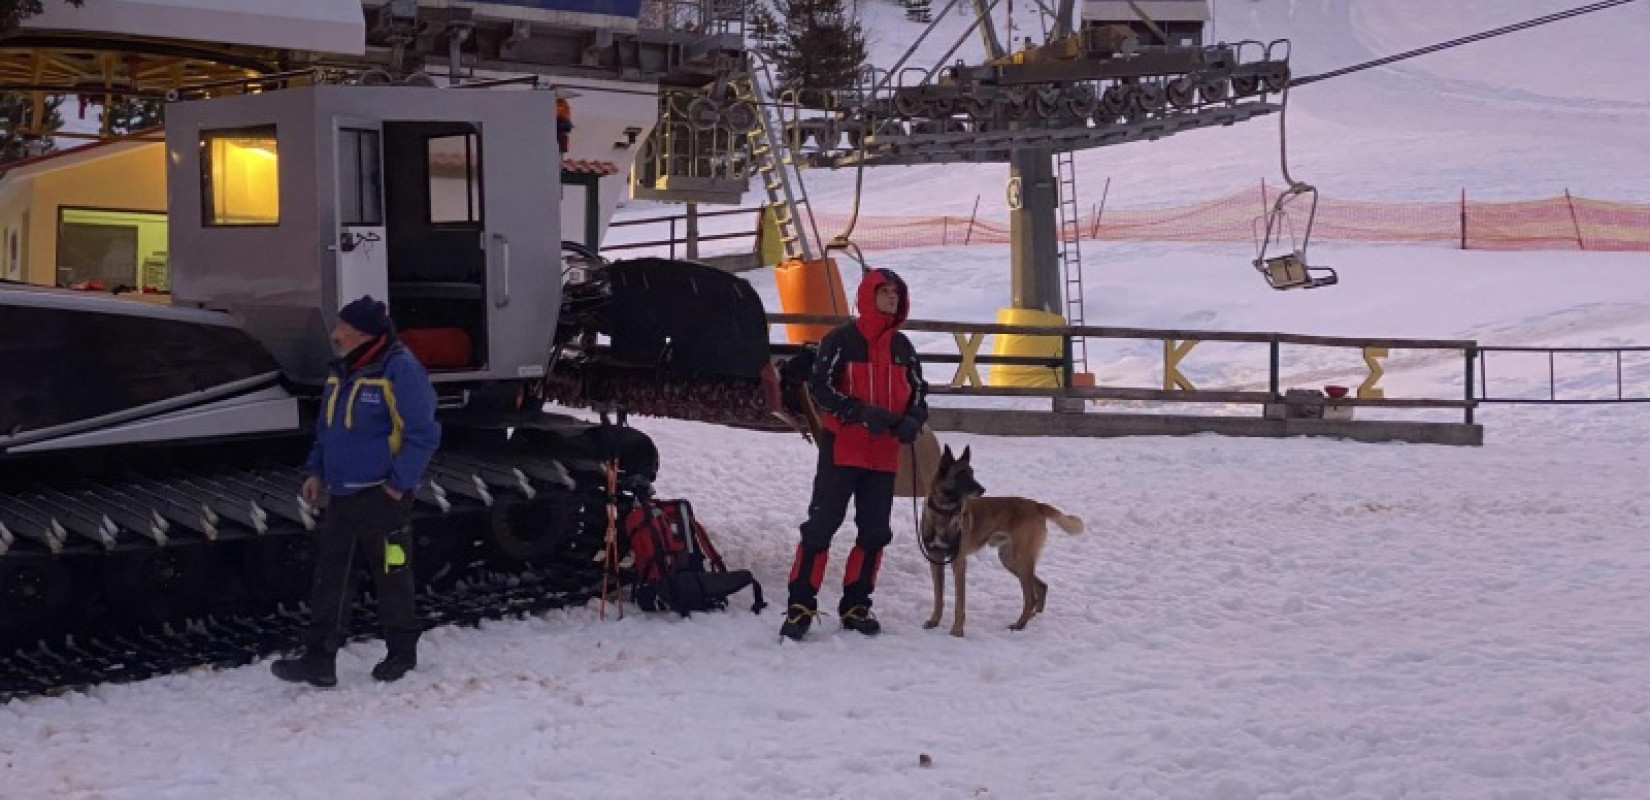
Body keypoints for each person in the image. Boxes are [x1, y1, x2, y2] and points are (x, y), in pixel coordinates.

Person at [272, 295, 441, 687]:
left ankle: (402, 652)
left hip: (384, 498)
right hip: (343, 497)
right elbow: (328, 431)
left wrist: (398, 486)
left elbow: (424, 434)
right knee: (331, 576)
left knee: (393, 572)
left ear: (361, 333)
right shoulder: (342, 371)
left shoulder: (400, 371)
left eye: (341, 326)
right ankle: (319, 661)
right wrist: (316, 471)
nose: (334, 333)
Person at [781, 268, 928, 641]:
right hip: (842, 450)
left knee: (875, 533)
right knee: (820, 527)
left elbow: (920, 394)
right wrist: (859, 412)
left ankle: (857, 605)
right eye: (885, 292)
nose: (892, 298)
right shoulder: (840, 340)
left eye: (897, 293)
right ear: (868, 296)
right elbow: (820, 388)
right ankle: (800, 605)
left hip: (883, 455)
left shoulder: (903, 348)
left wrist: (912, 419)